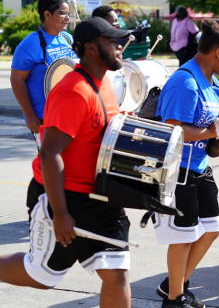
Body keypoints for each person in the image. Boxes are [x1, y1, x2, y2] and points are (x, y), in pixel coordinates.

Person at [0, 17, 132, 307]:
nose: (120, 47)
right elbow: (50, 153)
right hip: (64, 196)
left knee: (116, 273)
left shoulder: (104, 82)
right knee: (42, 277)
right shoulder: (74, 90)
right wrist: (60, 213)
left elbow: (101, 125)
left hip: (100, 194)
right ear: (92, 48)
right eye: (113, 42)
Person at [153, 19, 219, 308]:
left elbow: (210, 127)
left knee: (212, 229)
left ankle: (173, 286)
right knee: (184, 237)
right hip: (179, 171)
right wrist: (213, 130)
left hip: (200, 168)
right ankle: (175, 300)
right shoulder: (185, 82)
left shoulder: (212, 82)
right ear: (217, 52)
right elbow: (173, 130)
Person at [10, 0, 77, 140]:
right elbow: (17, 79)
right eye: (62, 13)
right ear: (47, 14)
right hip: (44, 118)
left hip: (69, 114)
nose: (67, 18)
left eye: (68, 13)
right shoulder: (32, 43)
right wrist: (29, 115)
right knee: (50, 164)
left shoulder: (68, 38)